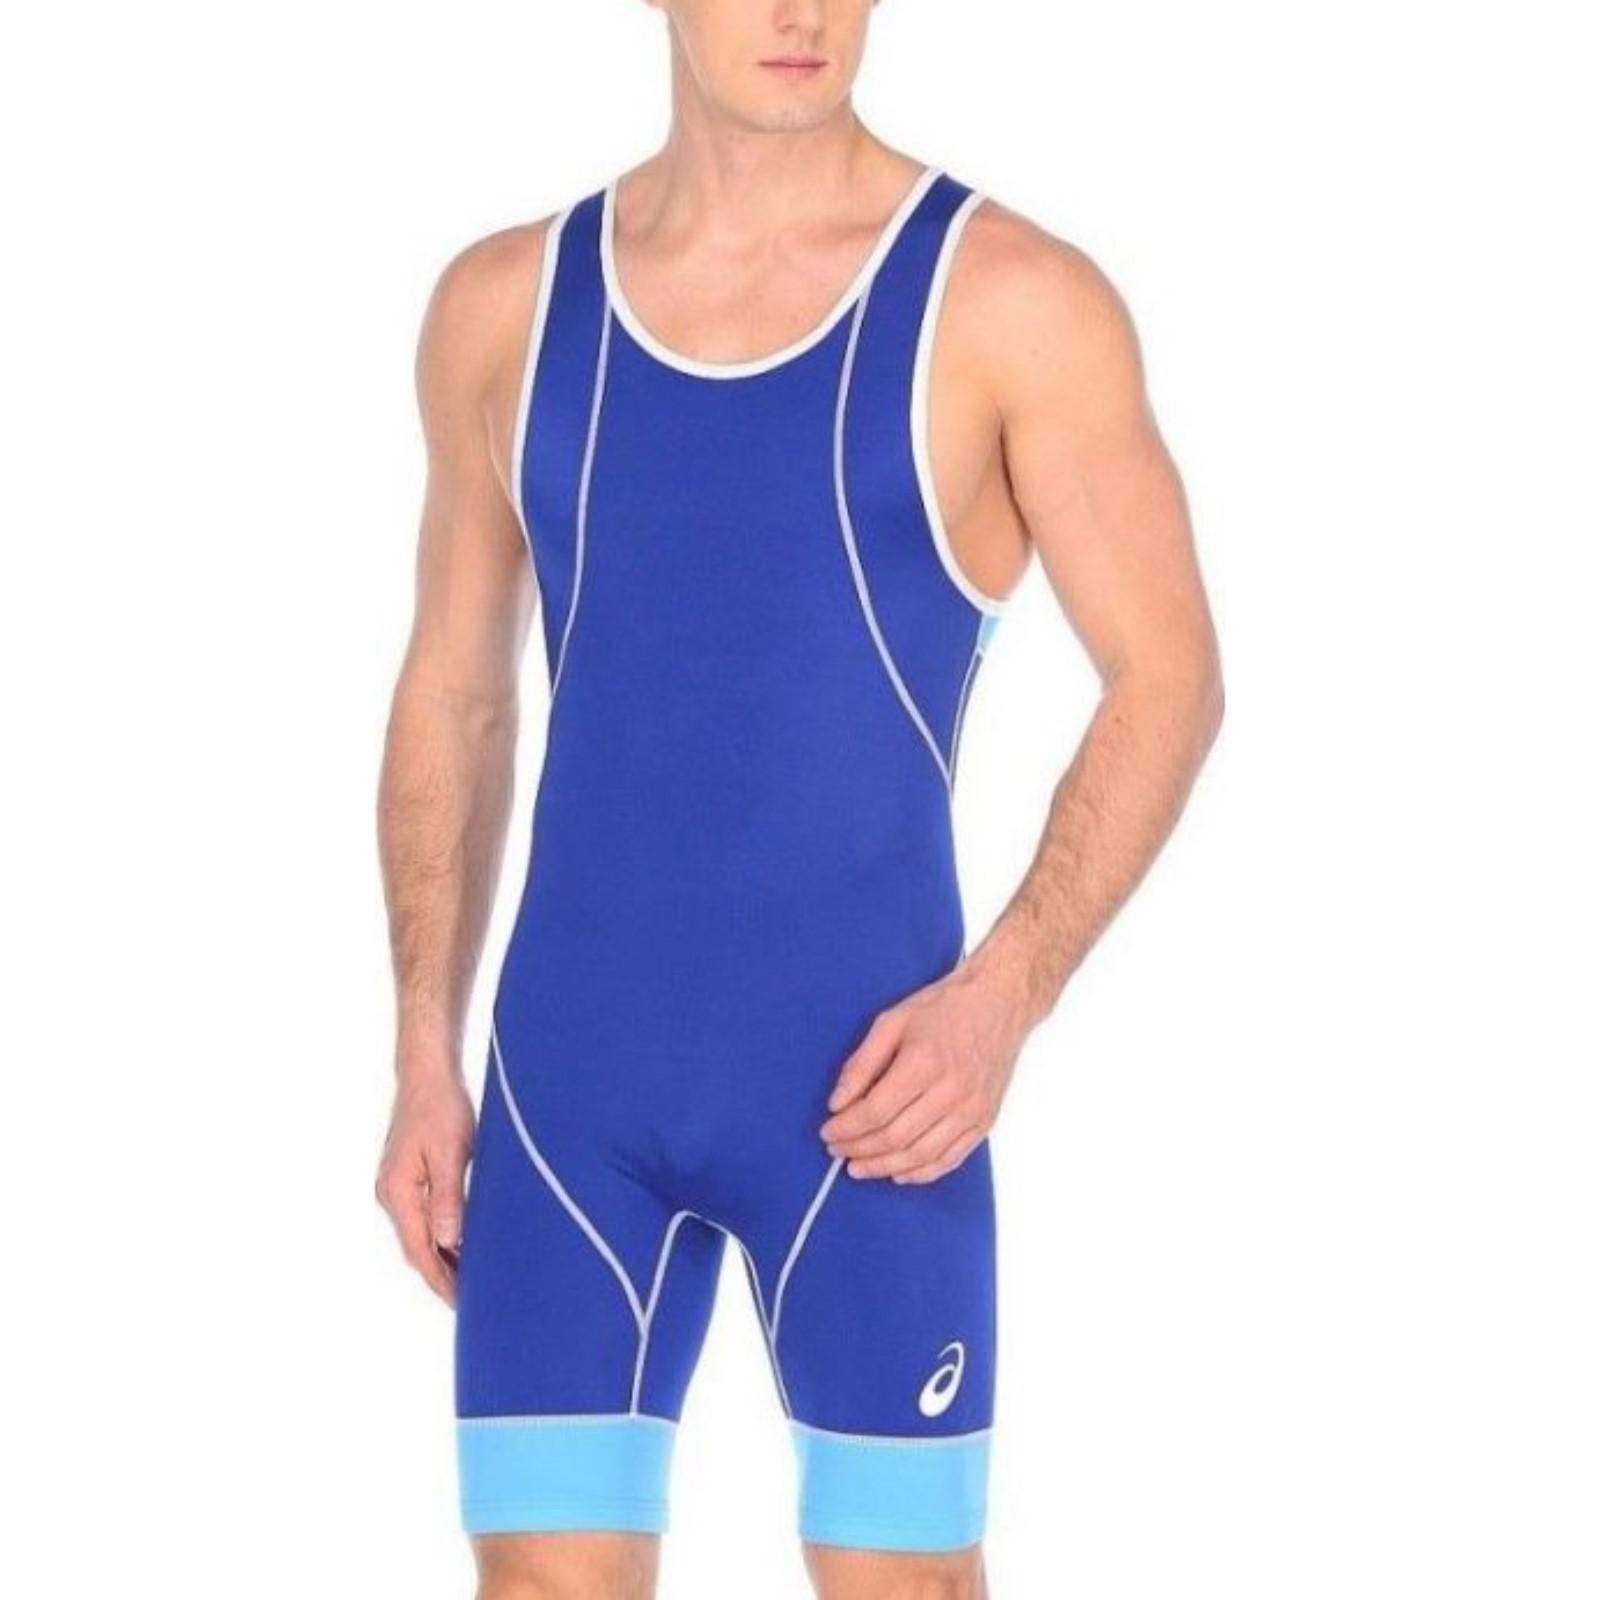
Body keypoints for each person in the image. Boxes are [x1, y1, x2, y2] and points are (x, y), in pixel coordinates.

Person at [376, 2, 1222, 1594]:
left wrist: (1006, 994)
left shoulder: (1012, 303)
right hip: (567, 1098)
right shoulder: (506, 307)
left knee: (904, 1582)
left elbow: (1168, 678)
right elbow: (456, 693)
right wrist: (425, 1044)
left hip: (876, 1102)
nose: (801, 11)